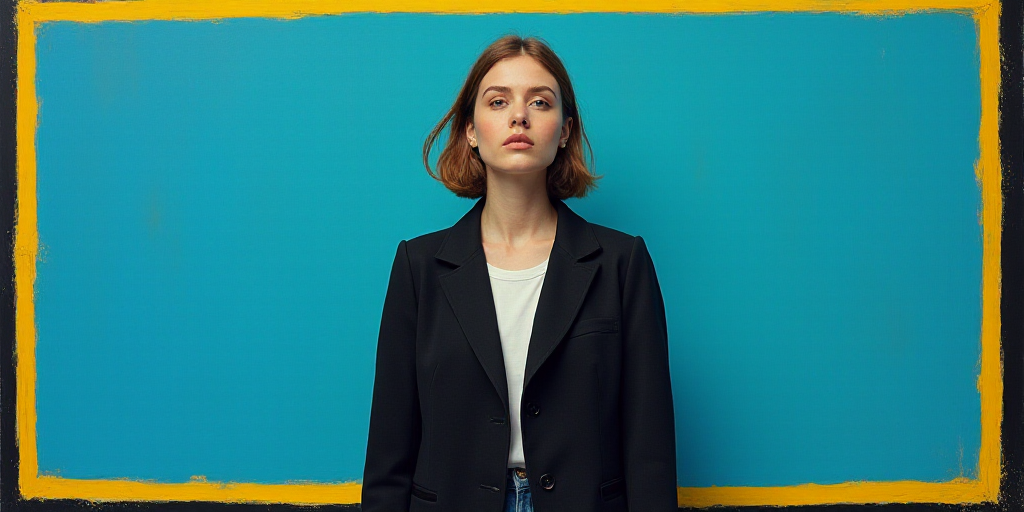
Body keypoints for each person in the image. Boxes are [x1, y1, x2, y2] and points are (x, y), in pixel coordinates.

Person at [361, 33, 677, 512]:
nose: (519, 116)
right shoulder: (418, 268)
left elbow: (649, 448)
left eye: (540, 102)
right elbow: (389, 451)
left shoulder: (621, 264)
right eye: (498, 100)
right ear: (470, 129)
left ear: (566, 129)